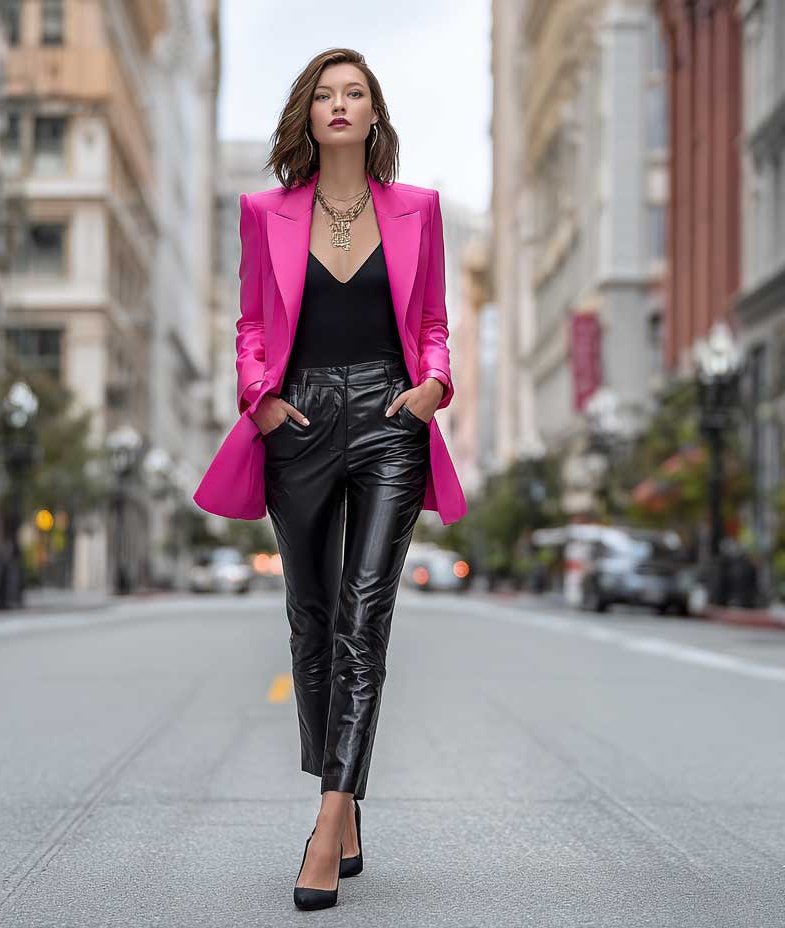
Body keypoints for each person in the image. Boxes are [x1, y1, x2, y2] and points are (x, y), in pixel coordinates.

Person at [192, 47, 466, 910]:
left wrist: (432, 389)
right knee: (310, 622)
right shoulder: (263, 211)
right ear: (307, 115)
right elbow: (249, 321)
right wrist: (260, 398)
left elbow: (431, 323)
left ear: (375, 114)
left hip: (391, 419)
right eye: (325, 94)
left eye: (355, 94)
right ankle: (343, 800)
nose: (339, 105)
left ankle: (329, 813)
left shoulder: (418, 210)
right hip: (300, 420)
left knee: (362, 619)